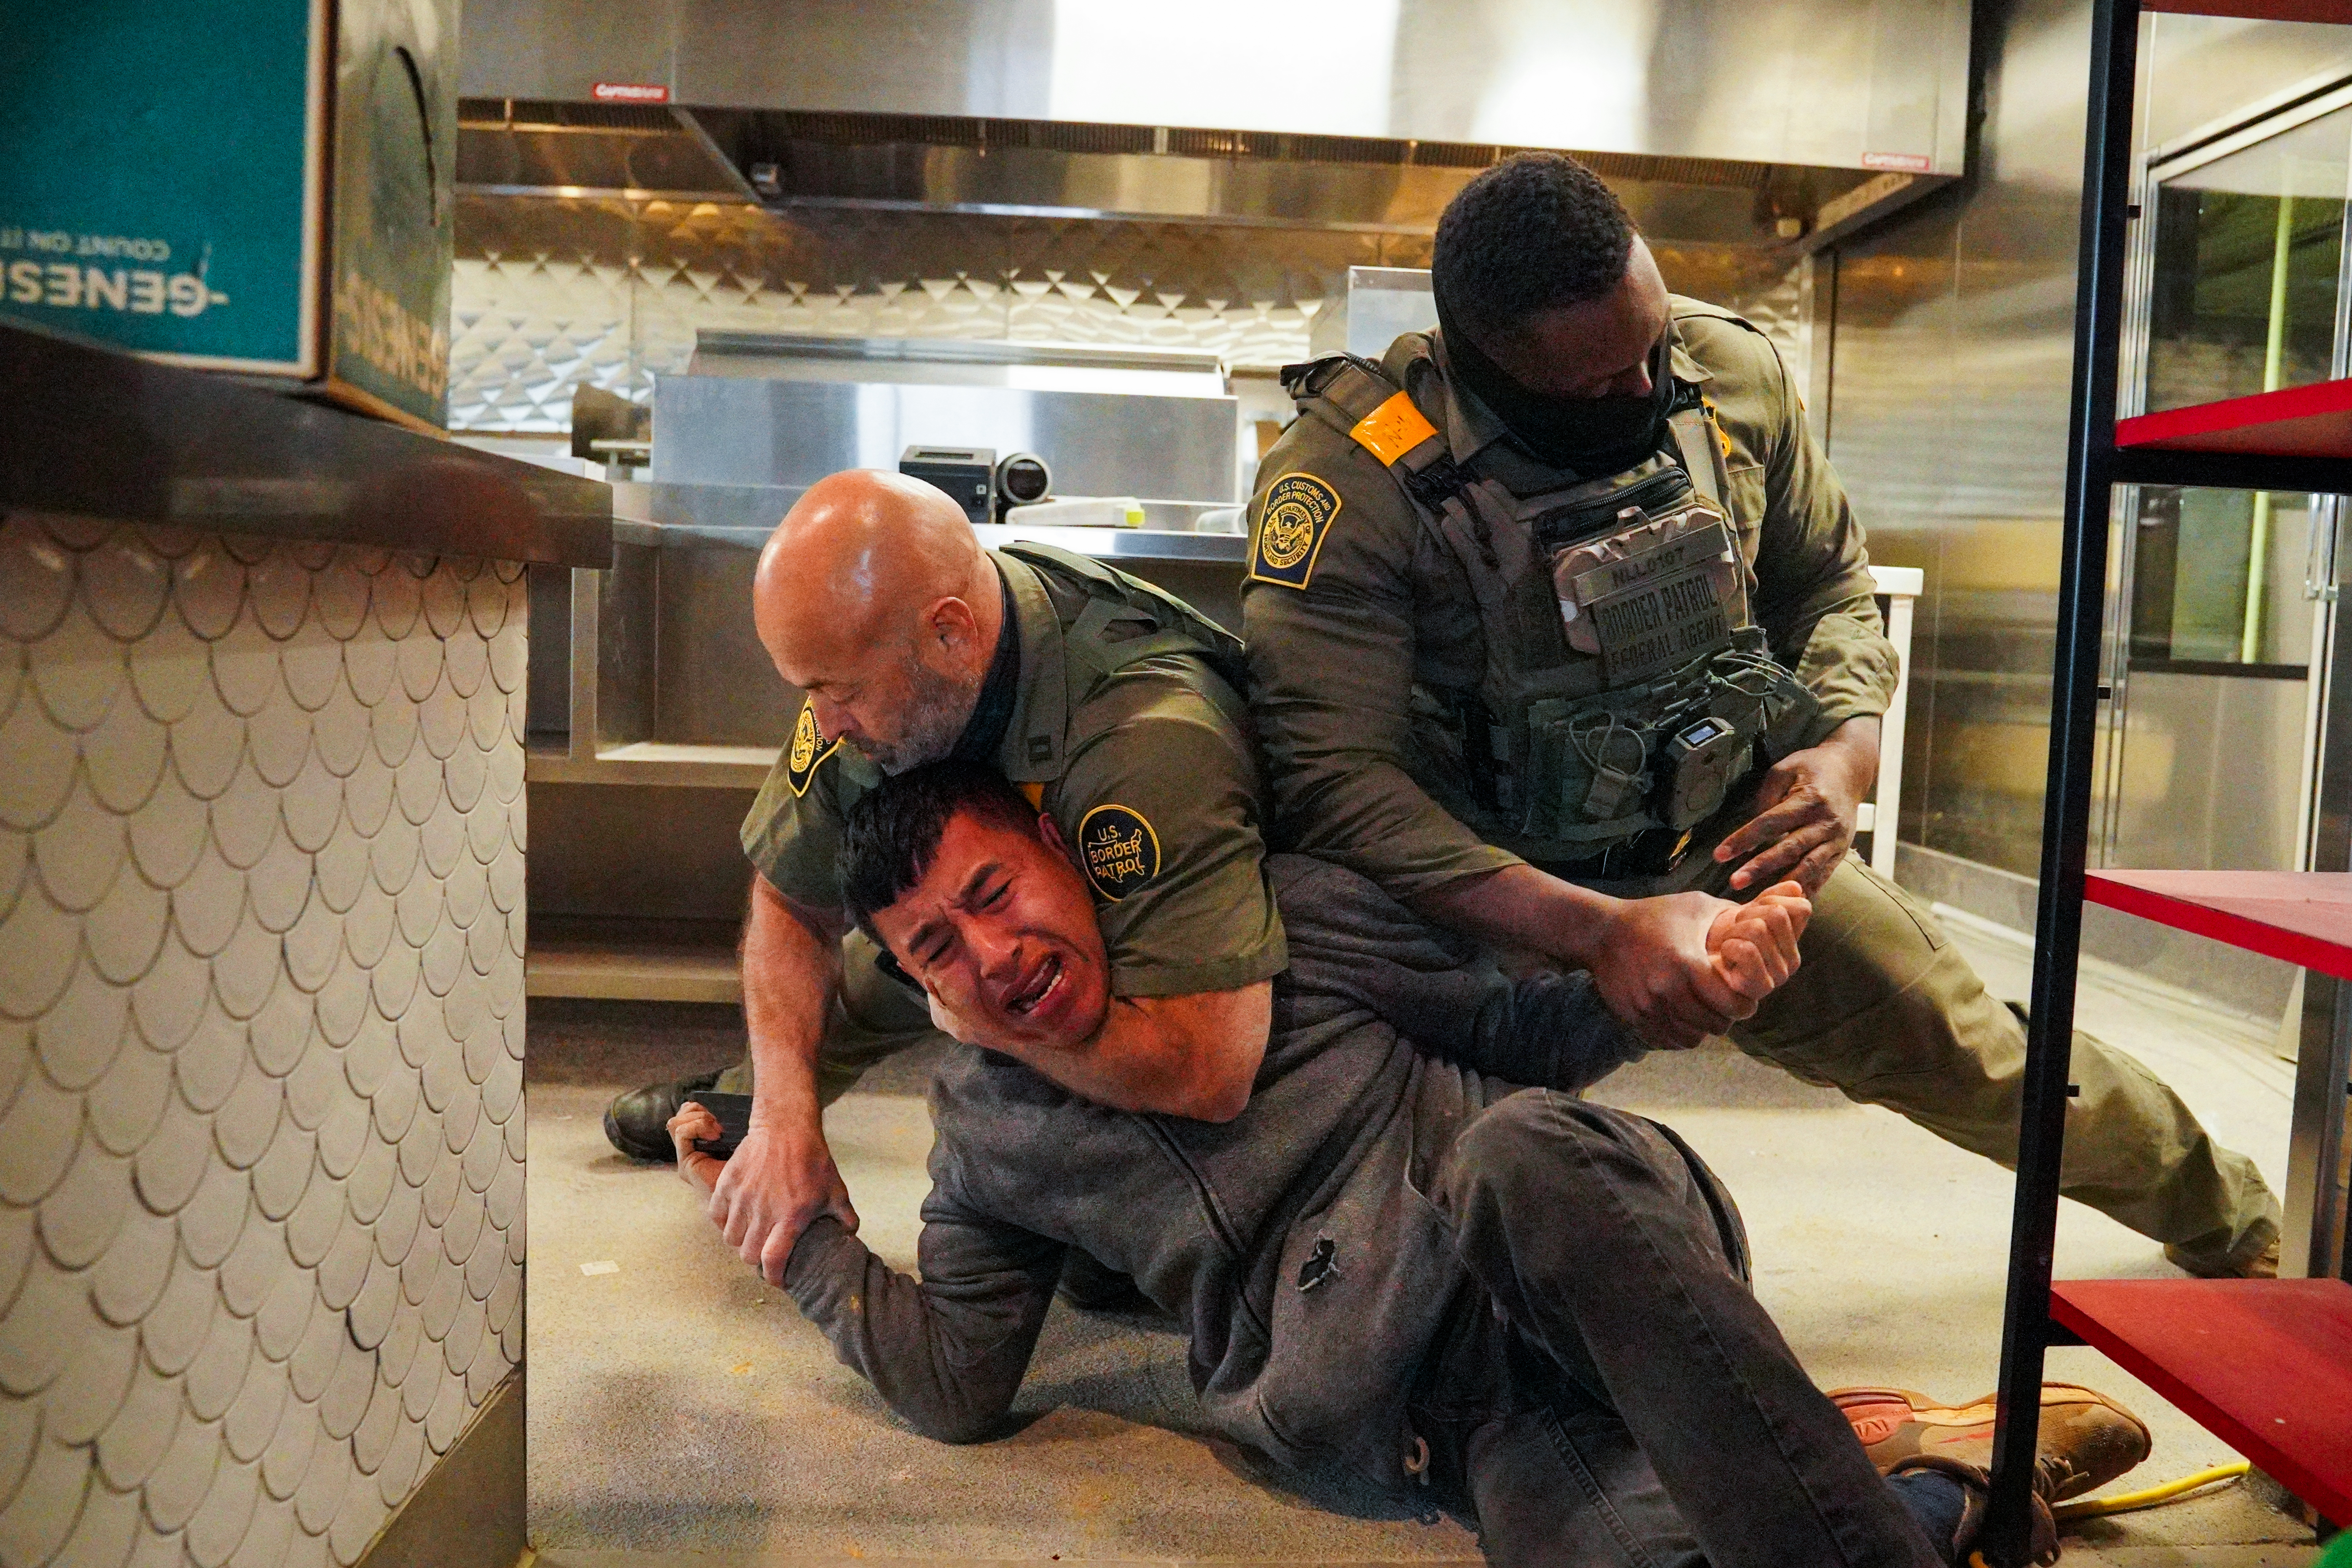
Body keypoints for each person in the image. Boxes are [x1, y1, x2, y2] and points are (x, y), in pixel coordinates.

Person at [668, 761, 2151, 1568]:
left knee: (1510, 1151)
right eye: (939, 948)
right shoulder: (991, 1139)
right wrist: (794, 1235)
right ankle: (1933, 1495)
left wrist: (1690, 971)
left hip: (1576, 1236)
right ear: (917, 984)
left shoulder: (1281, 917)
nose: (993, 955)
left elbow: (1528, 1027)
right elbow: (955, 1381)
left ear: (1061, 841)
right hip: (1454, 1422)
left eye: (995, 893)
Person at [1241, 150, 2280, 1279]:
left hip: (1725, 843)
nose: (1644, 389)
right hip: (1478, 902)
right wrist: (1598, 932)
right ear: (1485, 362)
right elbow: (1333, 781)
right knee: (1425, 1201)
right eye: (1598, 384)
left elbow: (1828, 585)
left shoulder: (1725, 373)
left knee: (1982, 1056)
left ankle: (2251, 1236)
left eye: (1649, 348)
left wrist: (1844, 756)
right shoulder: (1349, 481)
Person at [601, 468, 1289, 1287]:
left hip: (1178, 951)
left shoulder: (1147, 734)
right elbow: (792, 898)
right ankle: (743, 1102)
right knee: (889, 965)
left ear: (952, 634)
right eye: (810, 690)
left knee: (1094, 1237)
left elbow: (1208, 1069)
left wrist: (981, 1025)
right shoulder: (876, 675)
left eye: (841, 691)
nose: (824, 723)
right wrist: (783, 1118)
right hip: (1013, 918)